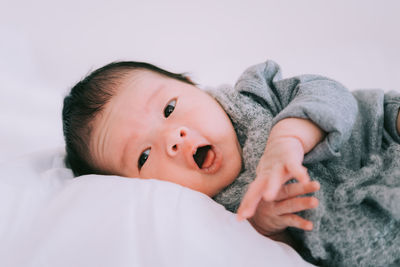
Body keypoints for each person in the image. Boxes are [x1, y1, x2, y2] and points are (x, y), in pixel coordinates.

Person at [62, 60, 400, 266]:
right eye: (143, 156)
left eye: (169, 109)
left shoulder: (255, 93)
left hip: (380, 135)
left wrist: (288, 139)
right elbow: (283, 253)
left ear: (196, 88)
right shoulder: (220, 217)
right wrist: (269, 226)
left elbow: (330, 94)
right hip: (374, 232)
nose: (174, 138)